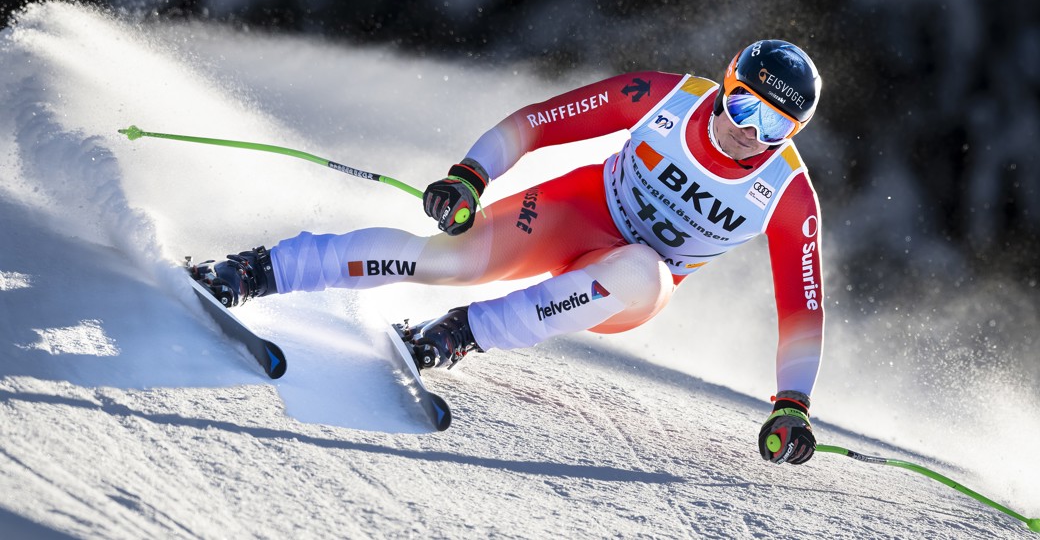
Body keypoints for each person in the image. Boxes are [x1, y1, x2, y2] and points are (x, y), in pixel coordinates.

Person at [191, 39, 824, 466]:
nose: (750, 131)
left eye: (775, 125)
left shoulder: (788, 195)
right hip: (574, 213)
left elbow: (802, 308)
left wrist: (791, 405)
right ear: (725, 88)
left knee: (639, 269)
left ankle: (456, 334)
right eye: (744, 105)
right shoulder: (665, 96)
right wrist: (470, 176)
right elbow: (541, 121)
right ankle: (252, 271)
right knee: (446, 259)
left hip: (630, 287)